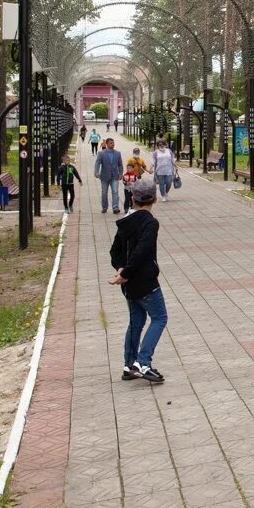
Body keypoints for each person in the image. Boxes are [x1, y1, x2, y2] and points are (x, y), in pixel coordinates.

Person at [109, 179, 166, 384]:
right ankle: (142, 362)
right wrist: (127, 272)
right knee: (160, 318)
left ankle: (129, 365)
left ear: (132, 198)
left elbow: (114, 251)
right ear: (154, 199)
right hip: (144, 281)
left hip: (129, 283)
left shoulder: (126, 221)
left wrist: (121, 270)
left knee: (136, 322)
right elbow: (142, 250)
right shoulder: (150, 222)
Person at [95, 137, 124, 214]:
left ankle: (115, 207)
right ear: (107, 144)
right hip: (104, 176)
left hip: (115, 176)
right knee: (104, 192)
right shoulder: (101, 153)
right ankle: (104, 207)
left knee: (115, 191)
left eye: (113, 143)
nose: (113, 144)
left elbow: (120, 165)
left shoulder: (118, 153)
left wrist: (121, 173)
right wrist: (96, 172)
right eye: (111, 143)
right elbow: (97, 163)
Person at [124, 147, 149, 213]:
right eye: (135, 153)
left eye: (137, 153)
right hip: (131, 177)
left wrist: (148, 170)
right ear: (133, 153)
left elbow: (144, 166)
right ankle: (128, 206)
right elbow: (128, 167)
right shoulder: (130, 160)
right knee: (129, 193)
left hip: (138, 177)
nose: (136, 154)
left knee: (137, 192)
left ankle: (135, 205)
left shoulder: (141, 160)